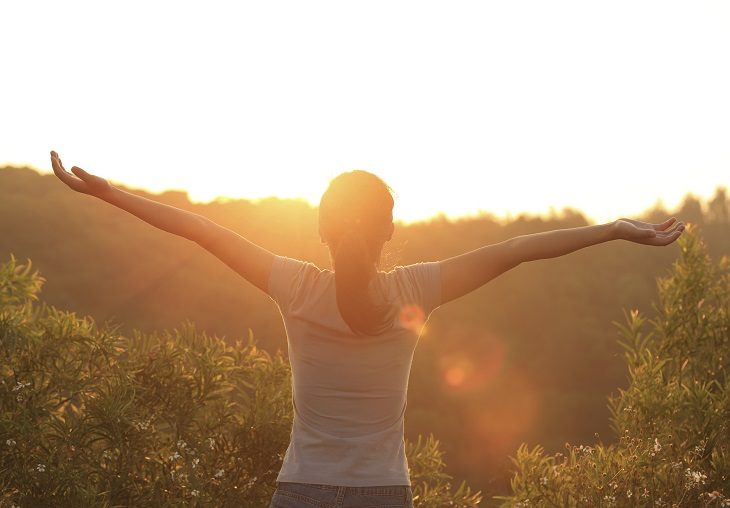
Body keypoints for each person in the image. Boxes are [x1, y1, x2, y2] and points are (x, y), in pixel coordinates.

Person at [50, 151, 685, 508]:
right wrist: (613, 230)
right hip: (383, 494)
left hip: (301, 491)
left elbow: (198, 228)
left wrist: (107, 192)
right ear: (388, 231)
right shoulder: (415, 291)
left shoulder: (295, 287)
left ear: (323, 231)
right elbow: (519, 248)